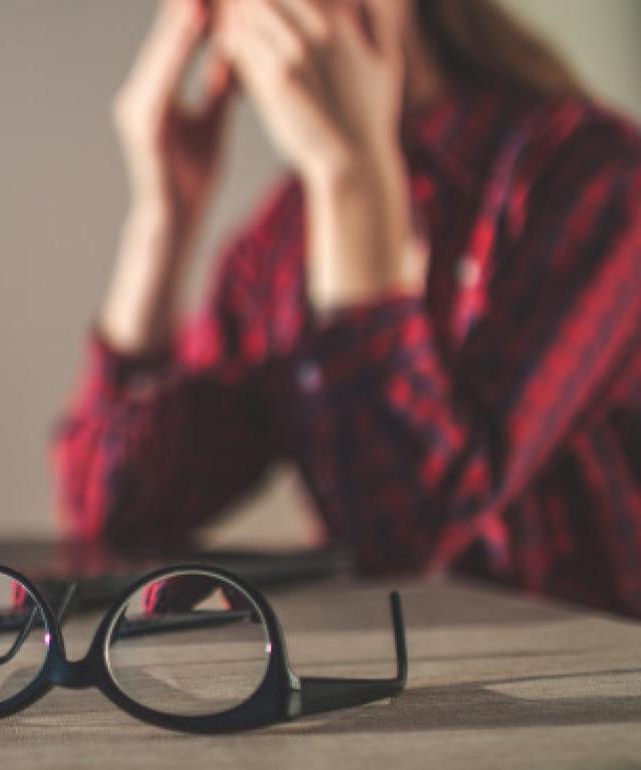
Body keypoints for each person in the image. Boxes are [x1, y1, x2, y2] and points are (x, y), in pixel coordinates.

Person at [53, 0, 641, 617]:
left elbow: (410, 536)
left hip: (588, 683)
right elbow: (109, 512)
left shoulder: (588, 175)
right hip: (391, 692)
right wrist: (163, 218)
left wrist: (355, 174)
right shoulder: (283, 240)